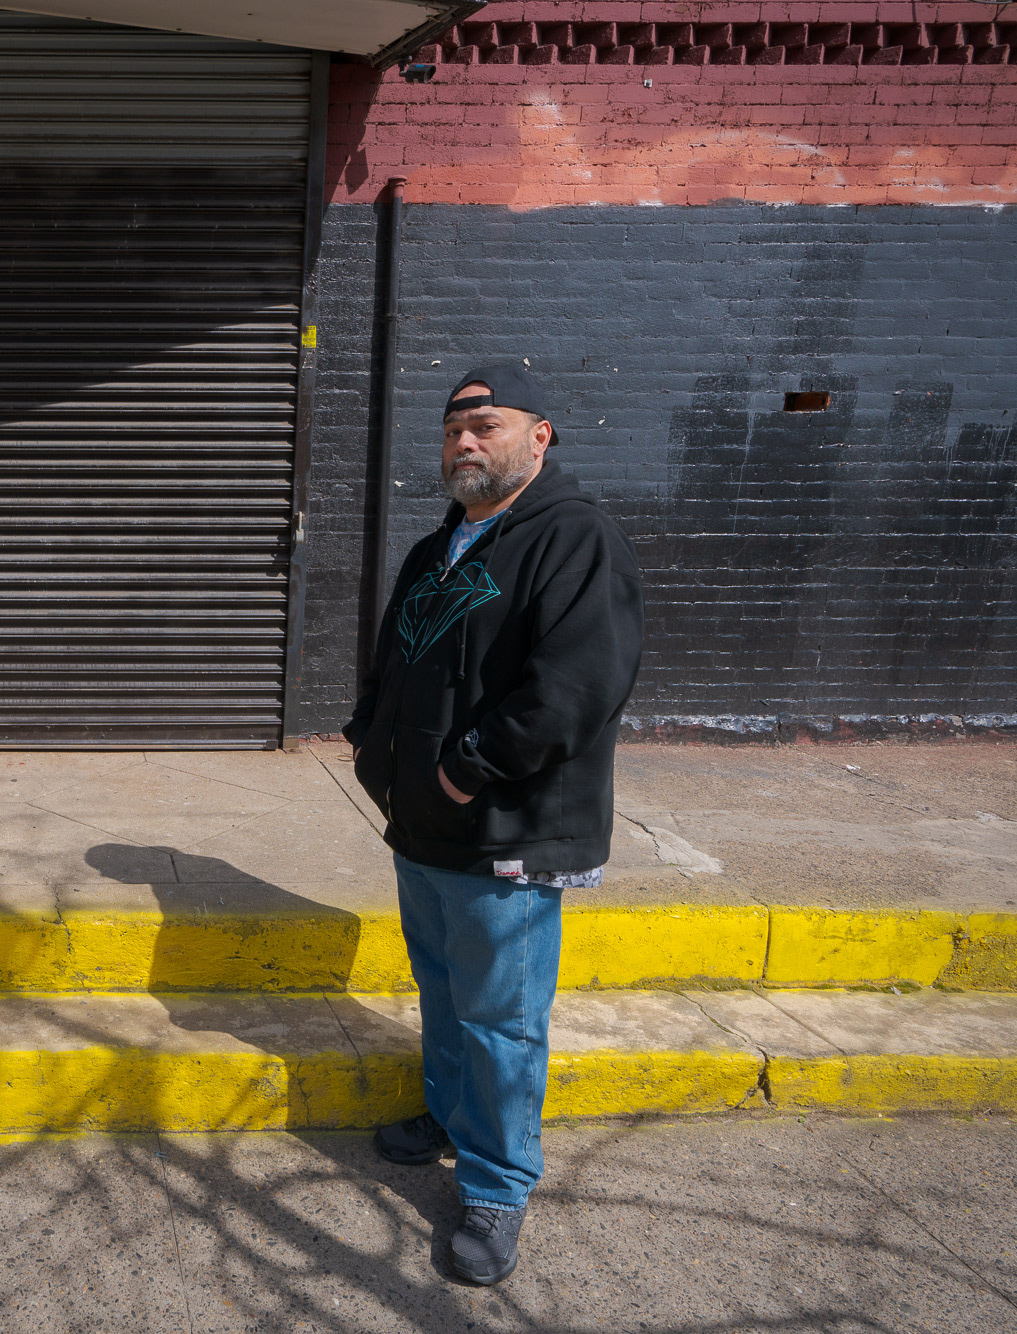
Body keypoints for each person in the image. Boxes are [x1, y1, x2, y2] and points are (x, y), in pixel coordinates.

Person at [344, 363, 643, 1285]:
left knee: (502, 1018)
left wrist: (467, 770)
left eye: (487, 423)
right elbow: (397, 656)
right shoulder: (442, 547)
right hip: (424, 825)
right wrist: (372, 744)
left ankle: (497, 1186)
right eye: (452, 429)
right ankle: (450, 1114)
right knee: (442, 989)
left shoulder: (572, 537)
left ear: (539, 437)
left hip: (505, 827)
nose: (465, 441)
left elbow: (576, 686)